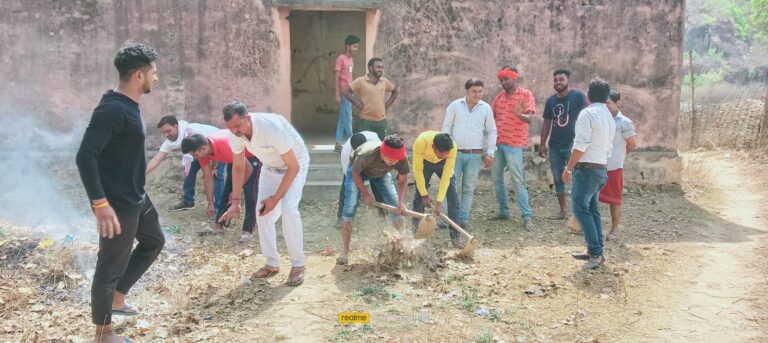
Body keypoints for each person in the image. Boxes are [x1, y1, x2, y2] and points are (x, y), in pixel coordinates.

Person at [76, 43, 164, 343]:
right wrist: (100, 203)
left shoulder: (127, 104)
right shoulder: (113, 109)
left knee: (154, 241)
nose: (157, 78)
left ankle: (117, 297)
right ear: (139, 75)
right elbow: (85, 156)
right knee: (109, 266)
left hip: (136, 196)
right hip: (117, 203)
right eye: (153, 73)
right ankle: (103, 333)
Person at [219, 102, 309, 286]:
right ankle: (272, 263)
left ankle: (298, 264)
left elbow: (293, 166)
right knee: (263, 214)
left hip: (295, 165)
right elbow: (237, 167)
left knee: (289, 209)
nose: (235, 131)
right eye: (230, 127)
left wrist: (275, 199)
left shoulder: (271, 127)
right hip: (269, 169)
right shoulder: (235, 134)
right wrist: (235, 201)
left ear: (248, 118)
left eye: (237, 126)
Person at [562, 78, 616, 270]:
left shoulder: (588, 114)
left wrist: (568, 168)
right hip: (600, 168)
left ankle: (595, 253)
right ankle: (595, 250)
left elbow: (581, 144)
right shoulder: (609, 115)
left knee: (580, 210)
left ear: (588, 95)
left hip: (587, 170)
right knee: (592, 210)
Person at [338, 135, 409, 265]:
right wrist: (365, 193)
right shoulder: (367, 154)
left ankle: (402, 249)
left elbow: (403, 181)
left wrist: (400, 202)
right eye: (391, 160)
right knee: (350, 206)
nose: (394, 163)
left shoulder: (401, 158)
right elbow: (355, 173)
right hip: (357, 171)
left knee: (396, 208)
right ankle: (345, 252)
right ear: (382, 152)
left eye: (396, 160)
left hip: (381, 173)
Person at [181, 131, 261, 243]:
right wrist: (211, 203)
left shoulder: (225, 146)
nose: (195, 158)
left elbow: (248, 169)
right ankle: (218, 226)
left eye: (195, 155)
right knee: (227, 189)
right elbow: (208, 177)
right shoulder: (204, 151)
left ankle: (248, 231)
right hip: (234, 157)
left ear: (203, 148)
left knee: (250, 192)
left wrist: (236, 191)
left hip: (252, 157)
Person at [441, 78, 497, 228]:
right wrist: (445, 148)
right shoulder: (454, 106)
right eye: (474, 91)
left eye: (480, 91)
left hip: (475, 155)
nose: (477, 94)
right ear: (466, 91)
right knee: (449, 186)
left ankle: (462, 220)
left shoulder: (486, 108)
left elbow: (492, 130)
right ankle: (445, 219)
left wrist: (490, 152)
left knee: (468, 189)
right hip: (454, 154)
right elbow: (446, 127)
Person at [145, 115, 225, 212]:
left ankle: (219, 207)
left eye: (168, 131)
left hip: (217, 147)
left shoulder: (193, 132)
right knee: (189, 171)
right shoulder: (170, 141)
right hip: (198, 151)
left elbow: (209, 146)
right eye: (163, 132)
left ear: (176, 126)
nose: (166, 135)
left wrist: (215, 166)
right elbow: (157, 158)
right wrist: (141, 173)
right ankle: (188, 201)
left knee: (216, 174)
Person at [490, 66, 535, 230]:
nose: (503, 82)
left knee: (518, 180)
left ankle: (527, 216)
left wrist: (519, 115)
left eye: (506, 79)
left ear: (515, 78)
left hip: (515, 145)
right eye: (501, 80)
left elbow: (529, 118)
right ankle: (504, 211)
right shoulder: (499, 98)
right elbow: (492, 120)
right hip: (498, 144)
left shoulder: (525, 94)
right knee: (496, 178)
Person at [539, 69, 588, 219]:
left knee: (578, 178)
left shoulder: (578, 96)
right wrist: (542, 144)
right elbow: (547, 123)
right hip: (555, 146)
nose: (558, 82)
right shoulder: (551, 101)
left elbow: (588, 116)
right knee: (558, 178)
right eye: (556, 80)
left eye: (561, 79)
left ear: (568, 81)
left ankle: (580, 212)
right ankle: (563, 211)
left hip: (573, 146)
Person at [412, 131, 464, 247]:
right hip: (424, 163)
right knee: (419, 198)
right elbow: (418, 171)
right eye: (441, 153)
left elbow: (446, 176)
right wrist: (424, 195)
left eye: (446, 153)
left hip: (443, 166)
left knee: (453, 198)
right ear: (433, 146)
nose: (443, 156)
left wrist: (439, 201)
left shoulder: (452, 148)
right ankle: (416, 234)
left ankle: (455, 237)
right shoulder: (421, 142)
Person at [599, 90, 637, 241]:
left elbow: (632, 144)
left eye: (608, 103)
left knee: (614, 199)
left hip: (614, 167)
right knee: (591, 197)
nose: (605, 106)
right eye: (603, 103)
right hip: (597, 165)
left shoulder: (624, 122)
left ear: (617, 103)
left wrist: (618, 156)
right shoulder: (599, 119)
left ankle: (615, 229)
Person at [336, 131, 384, 227]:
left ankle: (383, 212)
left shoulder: (375, 144)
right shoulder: (346, 154)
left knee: (379, 183)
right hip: (354, 166)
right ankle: (341, 216)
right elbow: (351, 176)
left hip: (373, 162)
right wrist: (364, 193)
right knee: (347, 187)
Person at [344, 58, 399, 140]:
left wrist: (387, 104)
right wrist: (356, 103)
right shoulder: (361, 81)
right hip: (366, 121)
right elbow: (346, 91)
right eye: (378, 67)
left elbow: (395, 91)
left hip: (381, 121)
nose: (380, 70)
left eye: (382, 67)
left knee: (380, 146)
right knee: (367, 147)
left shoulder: (384, 81)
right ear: (370, 68)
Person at [334, 35, 361, 152]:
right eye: (354, 46)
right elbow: (336, 77)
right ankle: (353, 144)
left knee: (342, 118)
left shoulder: (351, 60)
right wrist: (337, 94)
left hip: (350, 92)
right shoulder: (341, 58)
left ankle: (338, 143)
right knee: (348, 119)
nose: (356, 49)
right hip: (344, 93)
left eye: (357, 47)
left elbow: (349, 78)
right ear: (348, 46)